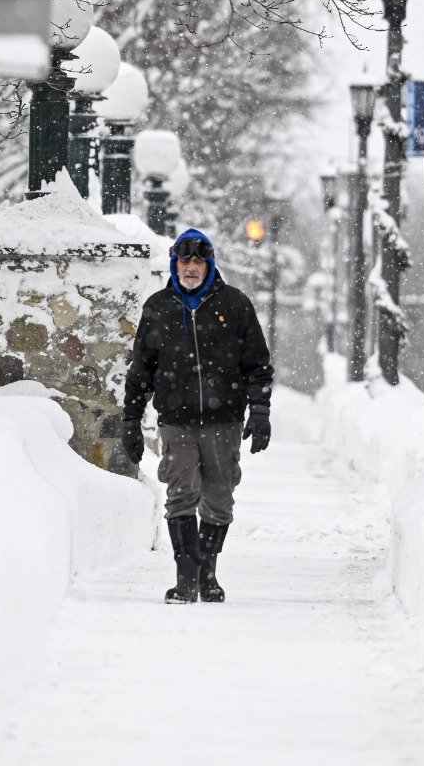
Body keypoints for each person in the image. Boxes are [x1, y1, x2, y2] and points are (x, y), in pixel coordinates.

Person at [122, 227, 273, 604]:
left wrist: (260, 409)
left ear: (210, 264)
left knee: (220, 498)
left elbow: (257, 364)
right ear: (175, 264)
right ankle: (186, 577)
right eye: (184, 261)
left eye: (198, 261)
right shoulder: (158, 308)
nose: (191, 268)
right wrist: (131, 420)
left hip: (224, 421)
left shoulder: (235, 306)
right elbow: (141, 370)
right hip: (177, 420)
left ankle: (209, 572)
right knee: (181, 493)